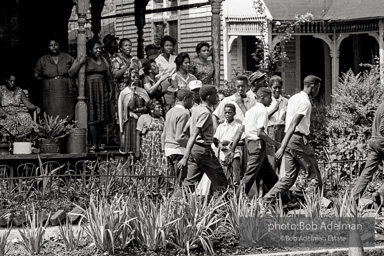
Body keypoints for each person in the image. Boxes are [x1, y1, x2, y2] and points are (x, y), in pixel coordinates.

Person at [263, 75, 323, 203]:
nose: (318, 91)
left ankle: (266, 200)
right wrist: (282, 147)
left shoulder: (294, 98)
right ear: (312, 86)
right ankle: (318, 206)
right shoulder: (305, 102)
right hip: (298, 140)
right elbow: (293, 124)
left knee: (288, 178)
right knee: (314, 173)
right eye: (317, 88)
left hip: (290, 140)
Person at [177, 85, 228, 194]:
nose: (217, 97)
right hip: (203, 151)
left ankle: (173, 204)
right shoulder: (205, 113)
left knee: (190, 183)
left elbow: (186, 130)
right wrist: (185, 157)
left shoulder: (197, 109)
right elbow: (194, 135)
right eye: (215, 95)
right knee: (221, 182)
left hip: (195, 150)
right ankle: (221, 209)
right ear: (209, 97)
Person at [229, 88, 279, 198]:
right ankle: (236, 201)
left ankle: (283, 199)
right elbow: (260, 133)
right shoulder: (262, 111)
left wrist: (232, 149)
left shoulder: (250, 111)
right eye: (269, 98)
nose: (271, 100)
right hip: (258, 145)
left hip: (251, 145)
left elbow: (239, 131)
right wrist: (276, 144)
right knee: (249, 176)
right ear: (262, 98)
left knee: (270, 176)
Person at [69, 38, 112, 153]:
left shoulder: (103, 59)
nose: (99, 50)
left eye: (100, 48)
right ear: (90, 50)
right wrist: (80, 62)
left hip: (102, 90)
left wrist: (110, 90)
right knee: (93, 117)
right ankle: (93, 144)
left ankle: (99, 144)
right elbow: (71, 72)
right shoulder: (85, 59)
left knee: (101, 118)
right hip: (90, 90)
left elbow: (108, 75)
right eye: (96, 48)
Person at [34, 38, 77, 121]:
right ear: (48, 47)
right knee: (52, 111)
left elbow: (75, 69)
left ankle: (67, 129)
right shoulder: (43, 60)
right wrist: (47, 80)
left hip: (66, 89)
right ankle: (55, 131)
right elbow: (36, 75)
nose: (54, 47)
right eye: (51, 45)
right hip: (50, 91)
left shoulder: (67, 57)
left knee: (67, 111)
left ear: (59, 45)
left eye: (55, 45)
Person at [352, 101, 384, 208]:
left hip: (374, 141)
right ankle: (380, 194)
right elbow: (383, 129)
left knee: (367, 173)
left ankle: (352, 201)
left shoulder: (381, 105)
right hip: (382, 141)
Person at [162, 88, 194, 186]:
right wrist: (191, 146)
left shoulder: (170, 111)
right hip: (178, 150)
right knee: (181, 182)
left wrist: (163, 150)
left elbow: (164, 134)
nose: (192, 102)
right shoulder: (184, 113)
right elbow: (180, 137)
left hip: (168, 150)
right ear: (185, 99)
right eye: (191, 99)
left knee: (172, 181)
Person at [118, 69, 150, 157]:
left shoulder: (142, 91)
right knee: (130, 148)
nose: (135, 79)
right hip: (131, 120)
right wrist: (132, 92)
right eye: (133, 77)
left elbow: (149, 106)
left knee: (141, 146)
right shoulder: (124, 92)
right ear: (129, 78)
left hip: (142, 118)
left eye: (137, 77)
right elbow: (127, 108)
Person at [213, 103, 244, 188]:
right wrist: (220, 145)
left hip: (234, 155)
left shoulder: (238, 126)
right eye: (226, 112)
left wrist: (231, 143)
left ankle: (236, 198)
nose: (227, 114)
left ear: (234, 113)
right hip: (223, 155)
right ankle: (225, 197)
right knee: (224, 178)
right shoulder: (221, 126)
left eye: (229, 112)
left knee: (235, 179)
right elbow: (215, 139)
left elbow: (243, 141)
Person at [0, 74, 40, 139]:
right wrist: (4, 114)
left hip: (17, 113)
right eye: (10, 81)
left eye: (14, 81)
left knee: (26, 116)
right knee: (9, 120)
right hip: (4, 113)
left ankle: (23, 140)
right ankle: (11, 140)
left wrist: (35, 107)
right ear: (6, 80)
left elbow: (28, 104)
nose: (12, 83)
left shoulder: (19, 90)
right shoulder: (1, 89)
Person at [136, 99, 165, 176]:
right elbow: (138, 134)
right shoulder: (143, 118)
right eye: (158, 108)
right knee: (147, 165)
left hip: (158, 148)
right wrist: (137, 150)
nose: (161, 109)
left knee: (159, 166)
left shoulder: (162, 119)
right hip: (147, 147)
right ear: (152, 110)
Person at [265, 75, 288, 171]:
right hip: (271, 131)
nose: (277, 90)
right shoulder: (267, 101)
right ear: (270, 88)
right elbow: (264, 118)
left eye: (279, 87)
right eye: (275, 87)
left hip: (283, 130)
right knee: (272, 158)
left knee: (283, 159)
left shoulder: (286, 101)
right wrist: (274, 110)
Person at [102, 34, 119, 146]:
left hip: (114, 88)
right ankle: (107, 139)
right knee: (108, 114)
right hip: (106, 88)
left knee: (114, 114)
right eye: (114, 43)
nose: (116, 45)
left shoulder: (116, 56)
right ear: (108, 44)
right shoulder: (104, 56)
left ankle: (113, 137)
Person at [155, 35, 178, 112]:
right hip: (163, 86)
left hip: (174, 84)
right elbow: (156, 75)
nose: (169, 47)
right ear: (162, 47)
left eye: (171, 46)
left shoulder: (175, 58)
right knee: (166, 107)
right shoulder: (158, 60)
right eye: (167, 45)